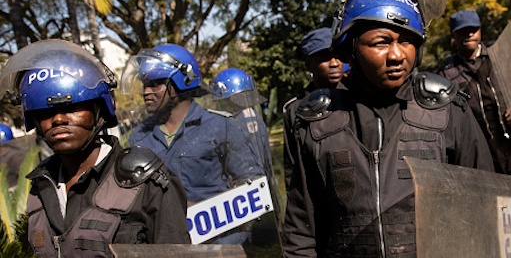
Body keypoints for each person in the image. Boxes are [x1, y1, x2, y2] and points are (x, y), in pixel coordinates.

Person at [282, 0, 494, 257]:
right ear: (351, 48)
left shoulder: (448, 111)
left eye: (407, 41)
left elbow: (485, 207)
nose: (397, 55)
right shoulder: (317, 123)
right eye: (381, 42)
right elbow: (301, 231)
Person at [0, 39, 190, 257]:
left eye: (72, 107)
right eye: (44, 111)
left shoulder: (147, 182)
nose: (58, 119)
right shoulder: (40, 187)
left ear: (99, 110)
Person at [120, 43, 264, 245]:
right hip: (165, 245)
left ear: (182, 82)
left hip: (219, 244)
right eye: (145, 84)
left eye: (156, 84)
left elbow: (252, 185)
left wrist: (204, 213)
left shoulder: (220, 126)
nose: (147, 92)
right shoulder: (139, 138)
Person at [437, 10, 511, 178]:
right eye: (463, 31)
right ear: (454, 35)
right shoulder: (448, 72)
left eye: (473, 29)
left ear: (480, 30)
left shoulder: (499, 55)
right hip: (482, 152)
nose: (469, 34)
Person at [283, 27, 344, 188]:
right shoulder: (295, 110)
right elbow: (292, 169)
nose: (335, 63)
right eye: (325, 58)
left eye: (338, 55)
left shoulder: (358, 97)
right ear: (309, 65)